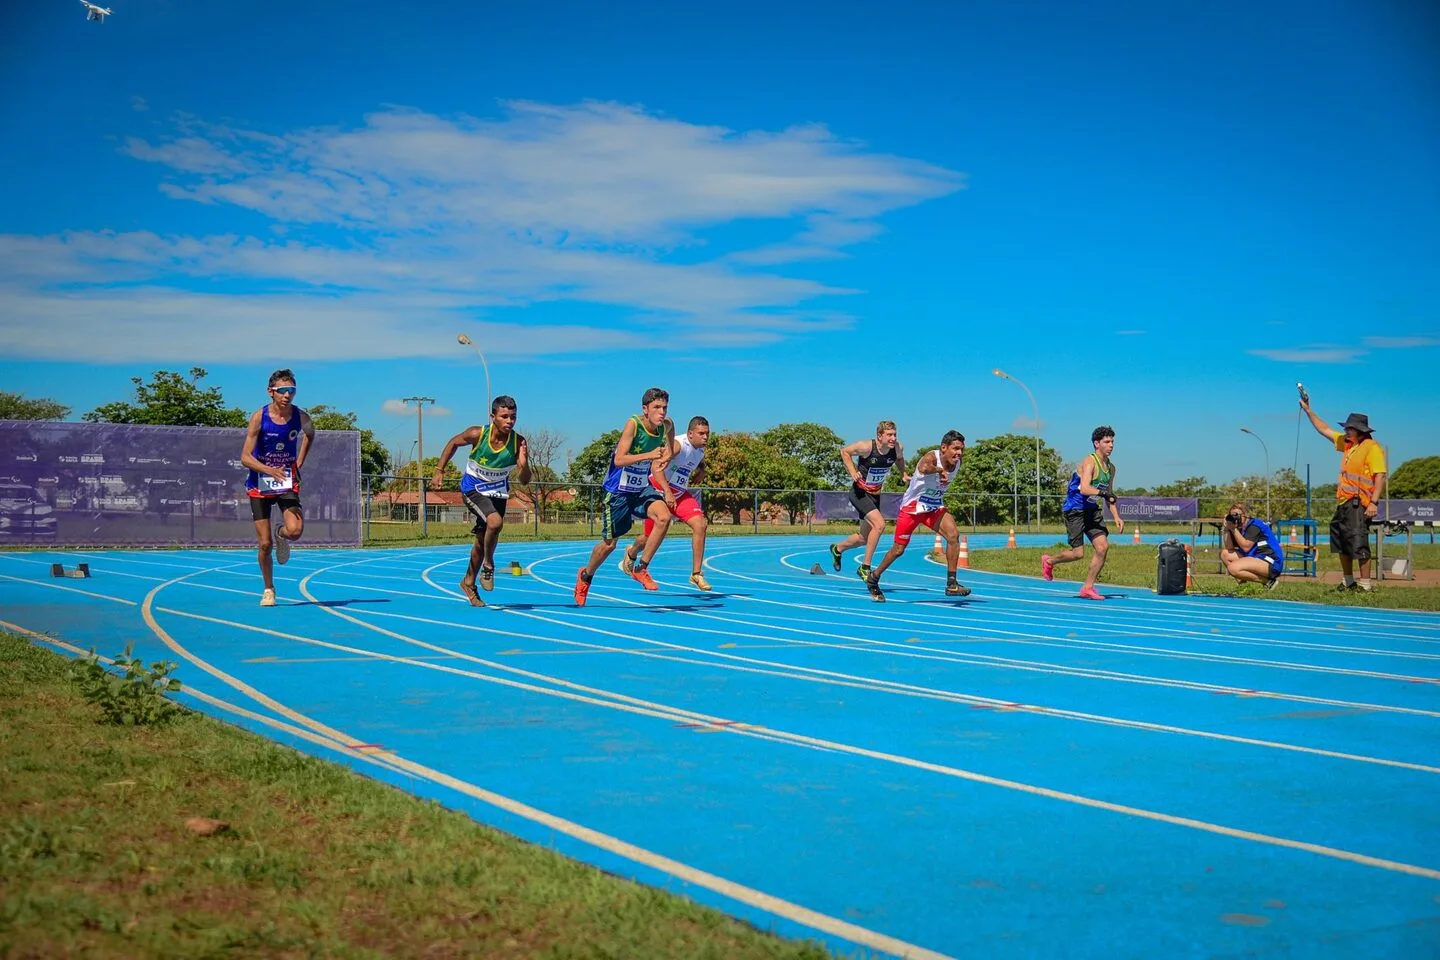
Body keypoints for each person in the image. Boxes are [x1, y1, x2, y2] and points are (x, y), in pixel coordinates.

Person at [574, 388, 673, 606]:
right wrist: (649, 455)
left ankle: (641, 568)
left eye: (664, 407)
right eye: (657, 407)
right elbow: (619, 459)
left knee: (664, 517)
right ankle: (586, 575)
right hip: (618, 491)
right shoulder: (634, 424)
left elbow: (671, 431)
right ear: (645, 409)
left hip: (640, 488)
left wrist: (668, 453)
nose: (662, 412)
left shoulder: (665, 425)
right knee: (609, 545)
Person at [433, 395, 532, 607]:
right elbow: (453, 443)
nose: (509, 421)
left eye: (513, 417)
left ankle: (468, 582)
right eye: (504, 416)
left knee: (483, 537)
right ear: (493, 416)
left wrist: (523, 465)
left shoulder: (518, 442)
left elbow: (524, 481)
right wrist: (439, 470)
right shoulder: (478, 433)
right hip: (473, 488)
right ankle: (488, 565)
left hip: (498, 492)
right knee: (495, 522)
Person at [864, 431, 971, 603]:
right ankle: (874, 577)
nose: (959, 453)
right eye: (955, 449)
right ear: (944, 448)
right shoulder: (932, 457)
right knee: (898, 550)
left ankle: (952, 584)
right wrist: (939, 470)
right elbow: (922, 468)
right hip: (912, 508)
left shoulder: (958, 462)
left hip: (933, 506)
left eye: (961, 449)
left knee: (953, 535)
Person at [240, 368, 314, 607]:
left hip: (285, 481)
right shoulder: (258, 417)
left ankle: (281, 533)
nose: (287, 395)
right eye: (282, 390)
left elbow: (311, 435)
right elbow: (245, 457)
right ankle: (269, 588)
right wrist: (268, 469)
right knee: (264, 544)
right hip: (260, 483)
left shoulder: (300, 417)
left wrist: (299, 460)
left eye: (291, 390)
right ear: (270, 391)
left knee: (296, 530)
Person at [1301, 398, 1387, 591]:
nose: (1346, 431)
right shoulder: (1348, 445)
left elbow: (1380, 475)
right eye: (1347, 428)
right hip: (1343, 502)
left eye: (1350, 428)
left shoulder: (1372, 448)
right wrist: (1308, 411)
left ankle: (1365, 585)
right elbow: (1324, 429)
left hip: (1359, 503)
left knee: (1358, 542)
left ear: (1360, 431)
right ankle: (1348, 581)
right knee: (1341, 542)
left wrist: (1374, 503)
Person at [621, 415, 713, 591]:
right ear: (690, 433)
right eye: (701, 433)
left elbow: (698, 460)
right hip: (658, 491)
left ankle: (696, 574)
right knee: (648, 538)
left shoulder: (700, 449)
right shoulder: (678, 445)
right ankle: (632, 552)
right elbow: (656, 467)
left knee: (700, 524)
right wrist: (667, 491)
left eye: (707, 433)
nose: (705, 437)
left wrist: (702, 470)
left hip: (679, 494)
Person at [1042, 425, 1124, 600]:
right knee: (1078, 553)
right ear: (1097, 443)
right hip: (1075, 509)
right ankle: (1049, 561)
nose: (1111, 445)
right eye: (1107, 442)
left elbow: (1109, 495)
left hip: (1091, 510)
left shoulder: (1111, 468)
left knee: (1102, 547)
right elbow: (1085, 488)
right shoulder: (1089, 462)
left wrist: (1116, 516)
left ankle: (1088, 587)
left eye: (1113, 442)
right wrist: (1102, 493)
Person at [829, 420, 908, 581]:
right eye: (889, 435)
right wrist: (852, 471)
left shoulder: (898, 448)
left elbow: (899, 459)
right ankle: (865, 567)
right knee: (879, 525)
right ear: (879, 436)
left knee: (863, 539)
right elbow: (844, 452)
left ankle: (837, 549)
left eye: (895, 434)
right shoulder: (867, 447)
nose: (893, 438)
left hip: (875, 494)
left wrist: (903, 474)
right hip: (859, 493)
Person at [1220, 500, 1284, 589]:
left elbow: (1246, 547)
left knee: (1233, 568)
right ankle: (1243, 584)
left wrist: (1234, 529)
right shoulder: (1237, 527)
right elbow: (1229, 547)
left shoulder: (1254, 525)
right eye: (1232, 515)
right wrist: (1227, 528)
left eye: (1237, 515)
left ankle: (1268, 581)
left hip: (1270, 562)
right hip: (1255, 558)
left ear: (1245, 515)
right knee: (1225, 554)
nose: (1235, 518)